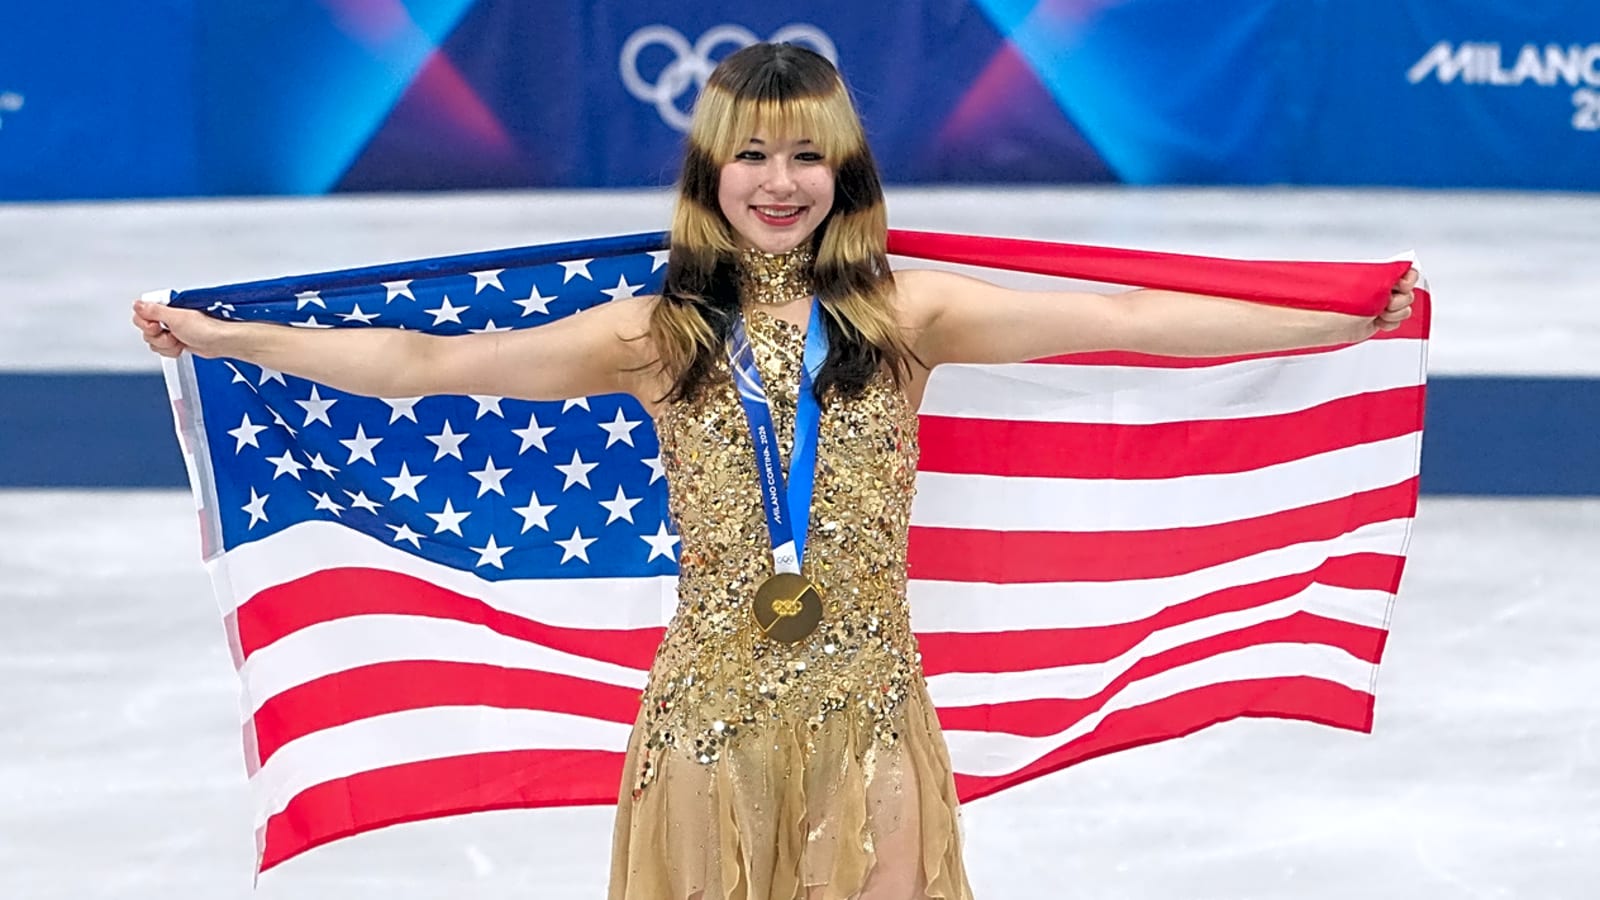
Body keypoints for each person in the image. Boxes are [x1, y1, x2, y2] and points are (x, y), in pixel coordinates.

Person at [134, 42, 1415, 900]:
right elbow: (424, 361)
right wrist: (225, 335)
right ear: (710, 171)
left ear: (843, 168)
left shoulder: (905, 315)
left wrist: (1332, 317)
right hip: (707, 717)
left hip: (873, 714)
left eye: (806, 154)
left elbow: (1125, 320)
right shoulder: (658, 334)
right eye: (751, 154)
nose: (780, 181)